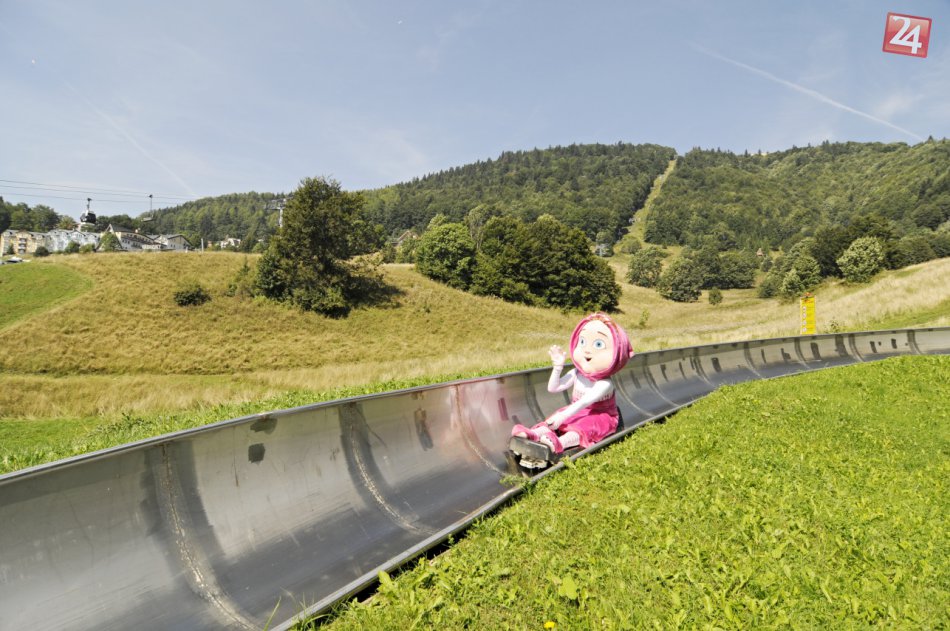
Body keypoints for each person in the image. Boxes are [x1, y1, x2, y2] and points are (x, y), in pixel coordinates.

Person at [511, 312, 634, 455]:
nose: (587, 350)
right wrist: (557, 368)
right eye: (582, 342)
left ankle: (560, 443)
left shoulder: (605, 384)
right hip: (576, 411)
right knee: (555, 419)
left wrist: (563, 416)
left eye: (598, 344)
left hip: (601, 416)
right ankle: (535, 433)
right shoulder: (577, 373)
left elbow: (584, 402)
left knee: (586, 425)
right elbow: (553, 388)